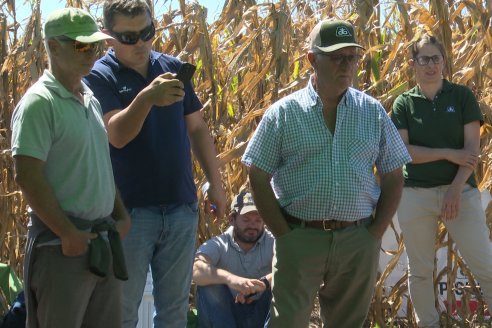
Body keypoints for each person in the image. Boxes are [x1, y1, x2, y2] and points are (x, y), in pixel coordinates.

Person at [242, 19, 412, 328]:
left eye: (352, 57)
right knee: (288, 323)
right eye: (337, 57)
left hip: (356, 240)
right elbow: (257, 174)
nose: (346, 65)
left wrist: (374, 233)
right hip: (300, 237)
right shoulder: (284, 114)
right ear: (312, 59)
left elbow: (393, 173)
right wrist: (284, 234)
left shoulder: (371, 112)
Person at [83, 1, 227, 327]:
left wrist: (216, 186)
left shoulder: (171, 67)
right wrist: (147, 98)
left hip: (180, 209)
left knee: (174, 312)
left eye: (146, 33)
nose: (141, 43)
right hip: (129, 214)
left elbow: (198, 129)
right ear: (108, 37)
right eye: (129, 37)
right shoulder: (99, 76)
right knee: (123, 311)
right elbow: (117, 134)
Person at [10, 7, 131, 328]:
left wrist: (121, 215)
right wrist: (67, 233)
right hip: (62, 249)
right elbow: (27, 174)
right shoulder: (39, 103)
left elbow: (99, 165)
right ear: (52, 46)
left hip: (101, 245)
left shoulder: (90, 99)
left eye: (97, 45)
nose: (92, 53)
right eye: (81, 45)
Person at [390, 32, 492, 328]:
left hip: (460, 192)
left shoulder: (461, 96)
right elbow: (405, 153)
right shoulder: (403, 104)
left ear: (444, 61)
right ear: (414, 63)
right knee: (419, 271)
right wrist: (449, 152)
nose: (431, 65)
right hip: (415, 195)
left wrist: (455, 190)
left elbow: (471, 151)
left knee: (485, 265)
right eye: (424, 59)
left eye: (436, 58)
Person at [193, 190, 274, 328]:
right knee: (208, 286)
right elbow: (196, 269)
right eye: (246, 220)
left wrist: (262, 284)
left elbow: (292, 268)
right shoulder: (220, 243)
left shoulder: (273, 241)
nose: (253, 225)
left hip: (262, 313)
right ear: (232, 219)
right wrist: (233, 281)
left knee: (283, 285)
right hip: (226, 316)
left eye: (258, 220)